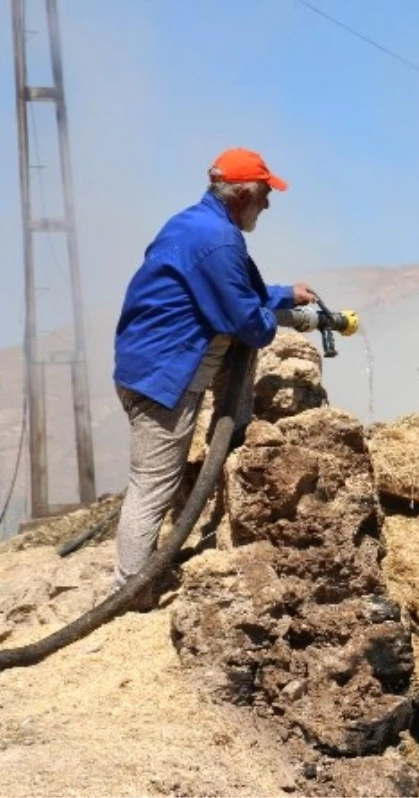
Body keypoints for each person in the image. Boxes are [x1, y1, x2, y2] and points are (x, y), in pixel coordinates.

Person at [110, 147, 316, 603]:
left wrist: (285, 294)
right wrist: (272, 316)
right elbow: (250, 325)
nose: (268, 204)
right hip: (163, 374)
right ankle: (130, 593)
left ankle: (135, 583)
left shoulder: (194, 224)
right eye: (264, 194)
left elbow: (234, 289)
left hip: (148, 364)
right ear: (242, 194)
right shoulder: (220, 241)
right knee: (151, 487)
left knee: (152, 482)